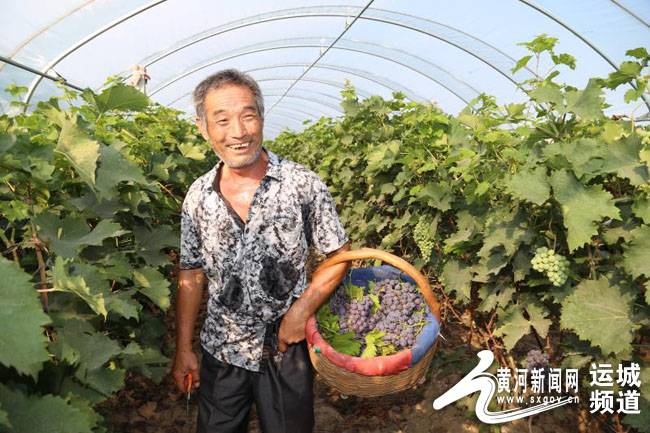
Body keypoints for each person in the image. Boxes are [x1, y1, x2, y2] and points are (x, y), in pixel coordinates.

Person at [171, 69, 350, 433]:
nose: (238, 132)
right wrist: (184, 347)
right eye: (222, 120)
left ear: (262, 119)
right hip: (222, 347)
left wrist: (301, 311)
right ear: (203, 128)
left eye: (248, 116)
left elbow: (339, 256)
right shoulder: (197, 197)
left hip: (286, 348)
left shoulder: (302, 183)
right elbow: (190, 274)